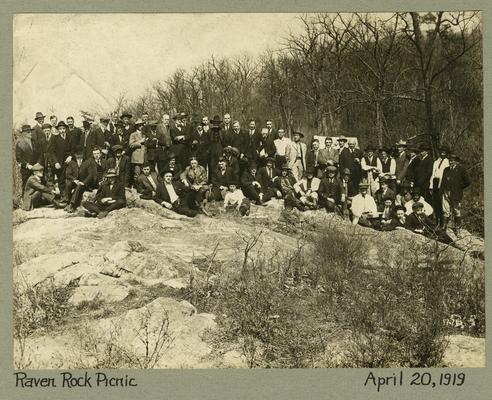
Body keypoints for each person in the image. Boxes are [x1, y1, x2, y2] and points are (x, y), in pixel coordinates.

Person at [64, 147, 107, 213]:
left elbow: (106, 172)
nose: (96, 155)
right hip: (92, 182)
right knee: (79, 186)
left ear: (101, 154)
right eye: (94, 154)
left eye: (98, 153)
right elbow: (90, 175)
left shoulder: (105, 161)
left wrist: (103, 180)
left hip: (101, 182)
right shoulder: (89, 162)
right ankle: (72, 205)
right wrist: (84, 182)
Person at [441, 154, 471, 234]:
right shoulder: (446, 169)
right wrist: (442, 191)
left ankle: (457, 228)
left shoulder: (461, 169)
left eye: (453, 160)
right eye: (450, 160)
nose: (451, 162)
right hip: (446, 192)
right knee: (445, 210)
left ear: (456, 161)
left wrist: (459, 187)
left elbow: (468, 181)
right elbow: (443, 182)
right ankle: (444, 226)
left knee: (456, 210)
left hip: (456, 194)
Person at [429, 145, 450, 228]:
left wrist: (442, 186)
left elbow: (445, 175)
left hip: (442, 184)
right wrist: (431, 186)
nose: (442, 153)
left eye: (444, 152)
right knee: (436, 203)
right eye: (441, 152)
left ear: (446, 153)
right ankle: (437, 221)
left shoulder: (447, 162)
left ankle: (443, 223)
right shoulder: (436, 161)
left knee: (442, 204)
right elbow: (433, 174)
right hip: (435, 182)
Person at [15, 124, 38, 193]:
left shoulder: (34, 141)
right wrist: (27, 165)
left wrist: (37, 164)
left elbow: (38, 153)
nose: (31, 133)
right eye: (29, 132)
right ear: (24, 133)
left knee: (35, 185)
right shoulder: (20, 143)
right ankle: (24, 200)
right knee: (26, 184)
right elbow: (18, 158)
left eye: (31, 132)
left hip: (35, 167)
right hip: (26, 169)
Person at [129, 119, 147, 187]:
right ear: (136, 126)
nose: (141, 126)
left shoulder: (144, 134)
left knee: (143, 174)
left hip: (144, 157)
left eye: (142, 125)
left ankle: (142, 187)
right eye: (139, 125)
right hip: (137, 158)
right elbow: (131, 145)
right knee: (137, 174)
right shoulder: (133, 134)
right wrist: (140, 142)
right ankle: (137, 187)